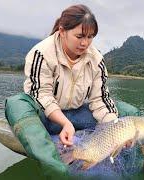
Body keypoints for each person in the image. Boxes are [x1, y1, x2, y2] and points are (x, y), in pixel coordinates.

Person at [23, 4, 118, 146]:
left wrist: (116, 129)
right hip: (46, 118)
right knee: (16, 104)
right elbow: (41, 95)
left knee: (124, 113)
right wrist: (65, 124)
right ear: (62, 31)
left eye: (90, 37)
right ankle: (47, 146)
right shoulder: (42, 53)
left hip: (76, 115)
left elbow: (100, 99)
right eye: (79, 36)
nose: (85, 43)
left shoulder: (96, 60)